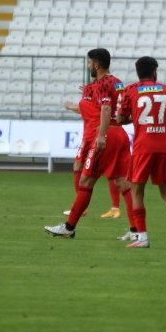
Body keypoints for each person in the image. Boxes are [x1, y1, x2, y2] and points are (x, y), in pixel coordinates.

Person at [44, 48, 135, 239]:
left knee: (85, 181)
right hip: (120, 134)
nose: (88, 66)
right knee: (122, 182)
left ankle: (69, 227)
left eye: (89, 62)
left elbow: (106, 108)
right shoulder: (116, 82)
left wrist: (101, 136)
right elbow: (115, 107)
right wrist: (90, 92)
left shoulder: (102, 83)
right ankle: (137, 231)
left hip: (105, 135)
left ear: (96, 64)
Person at [117, 56, 166, 249]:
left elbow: (120, 118)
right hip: (164, 147)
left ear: (138, 73)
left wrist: (135, 115)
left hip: (143, 148)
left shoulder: (131, 91)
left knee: (137, 191)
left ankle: (143, 238)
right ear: (154, 72)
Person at [63, 95, 124, 219]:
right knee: (112, 171)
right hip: (99, 133)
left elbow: (83, 109)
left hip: (91, 135)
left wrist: (70, 106)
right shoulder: (101, 97)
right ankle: (115, 208)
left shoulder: (98, 95)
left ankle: (81, 208)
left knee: (79, 166)